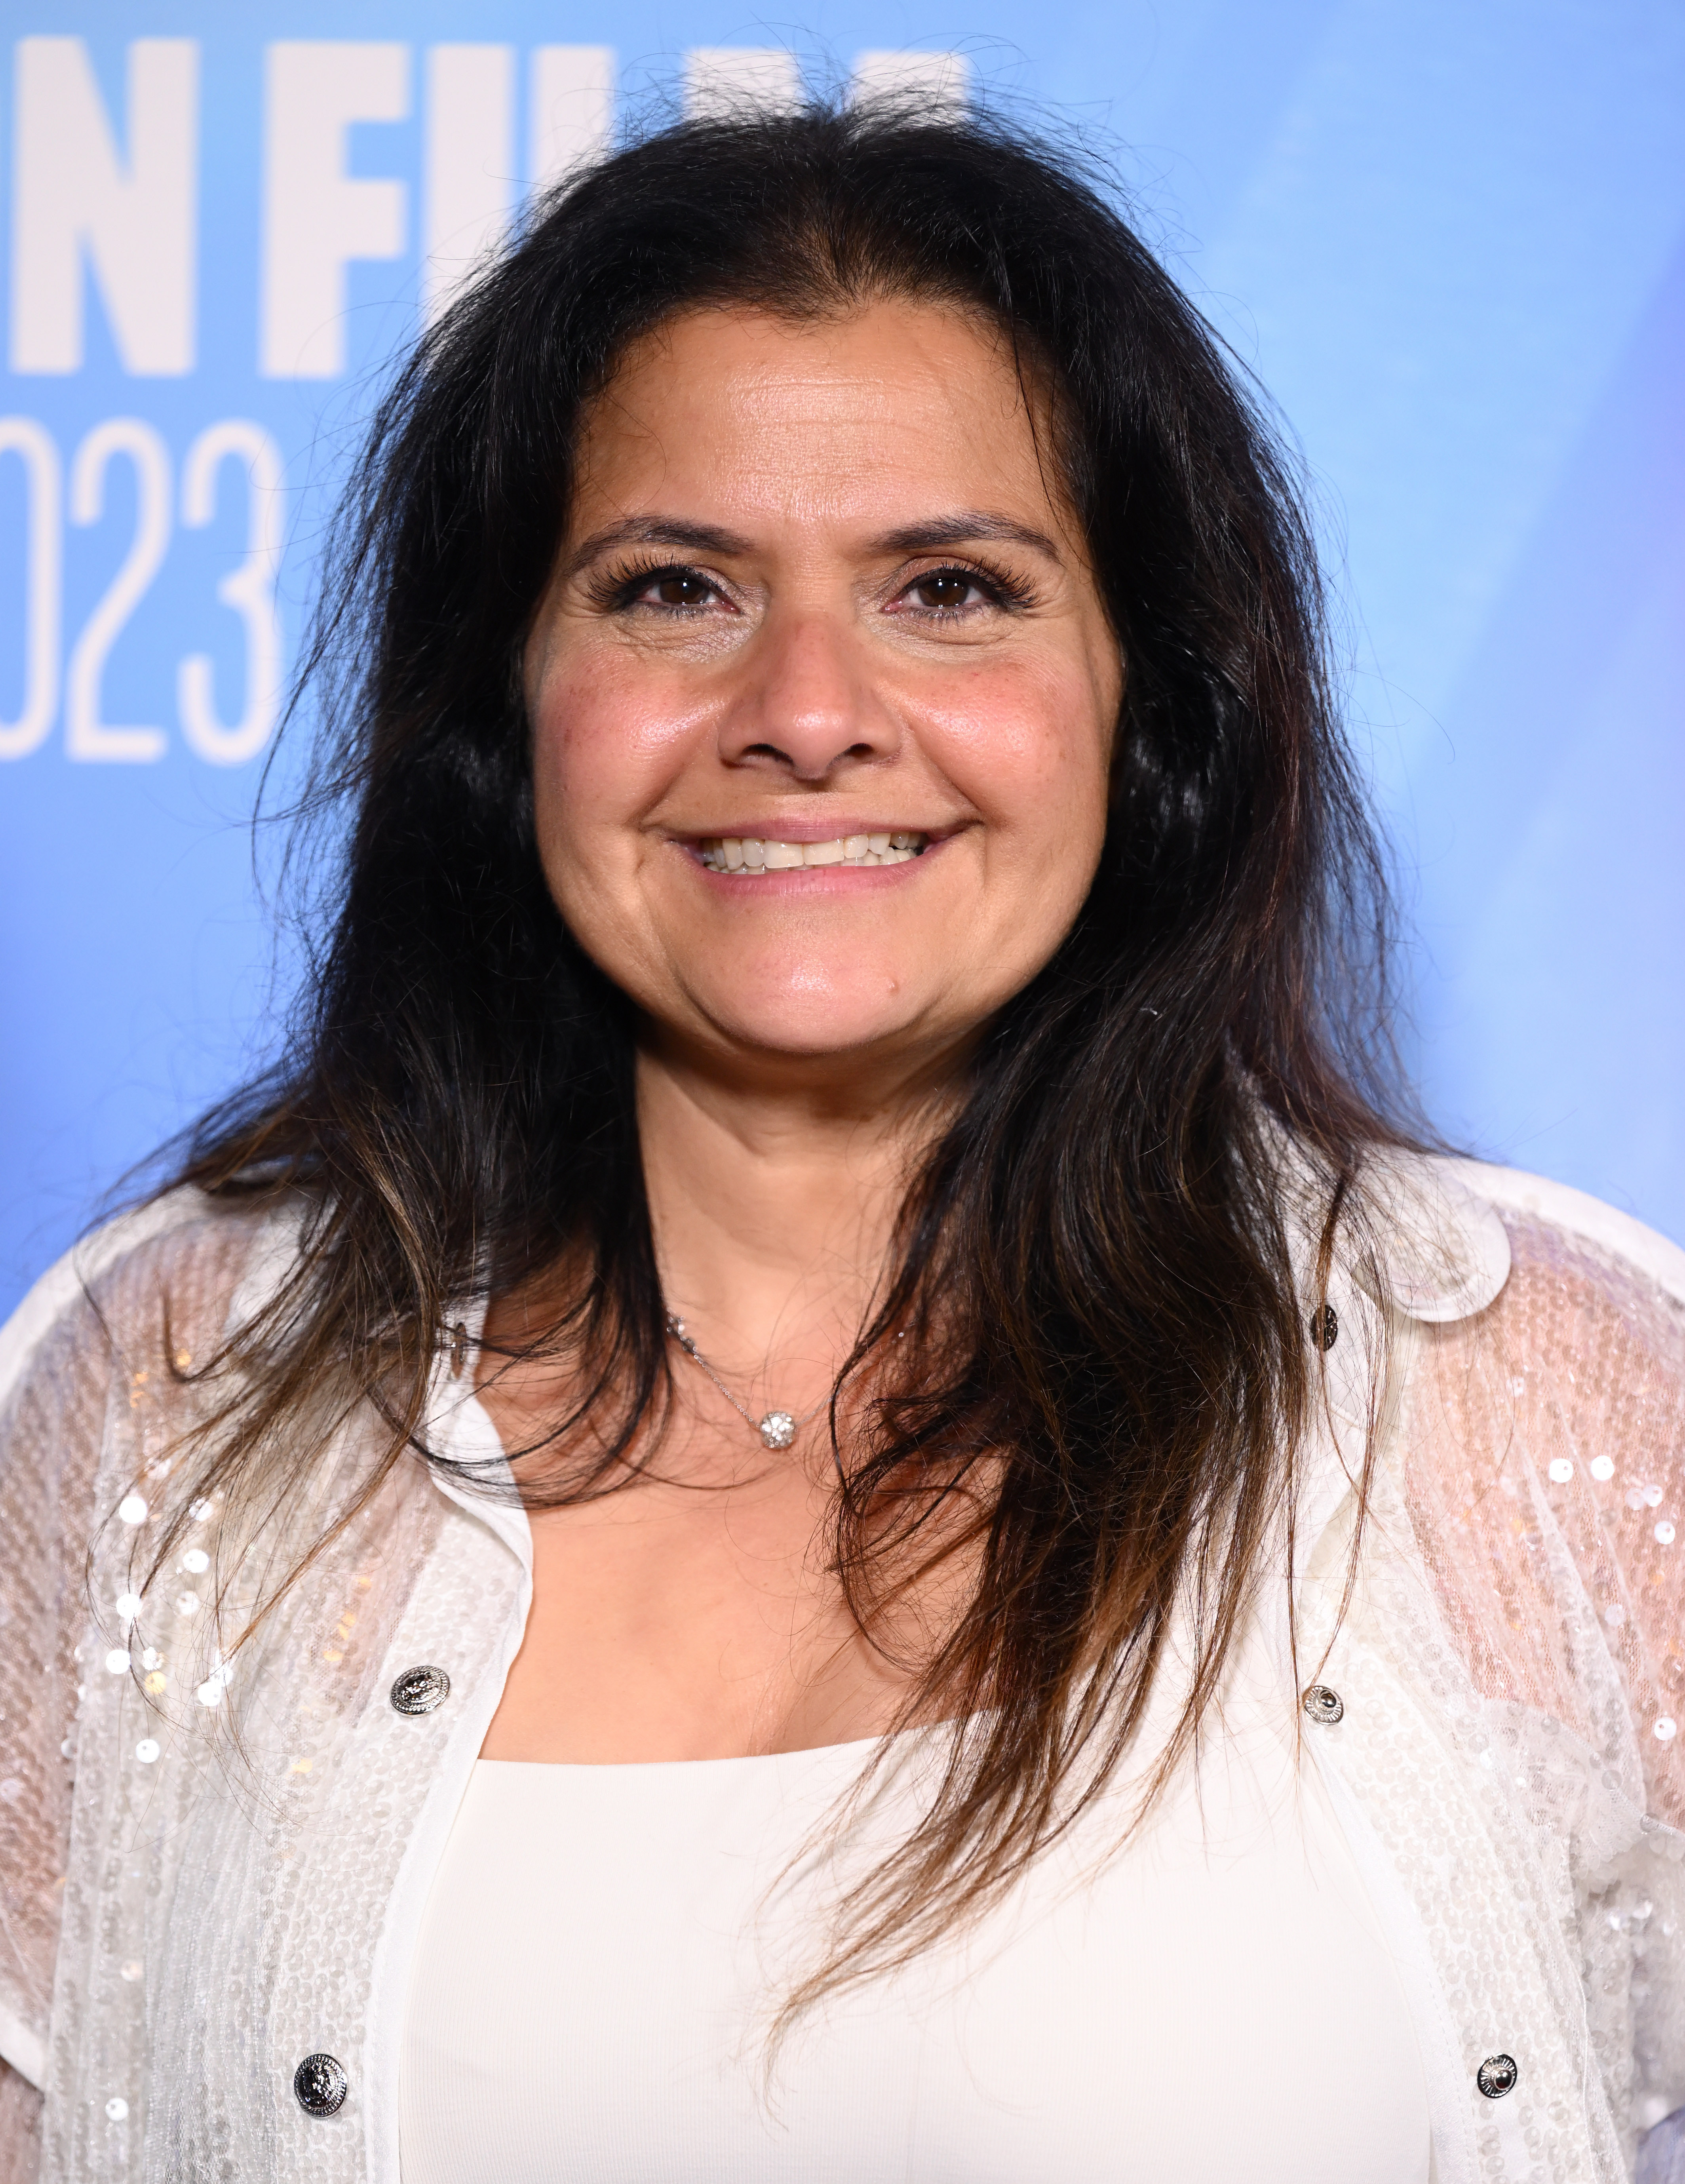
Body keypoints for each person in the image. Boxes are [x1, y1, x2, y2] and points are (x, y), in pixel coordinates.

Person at [0, 101, 1680, 2184]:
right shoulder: (178, 1397)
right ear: (507, 702)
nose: (805, 709)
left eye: (950, 590)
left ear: (1148, 703)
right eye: (676, 589)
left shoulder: (1532, 1389)